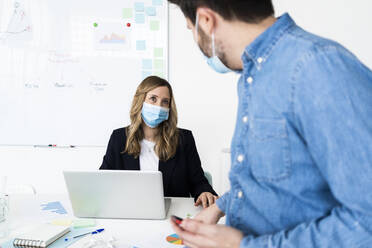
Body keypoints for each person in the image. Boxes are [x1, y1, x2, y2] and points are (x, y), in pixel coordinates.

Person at [168, 0, 372, 247]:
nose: (195, 40)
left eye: (190, 29)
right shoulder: (253, 75)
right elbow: (279, 177)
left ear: (206, 21)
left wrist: (243, 246)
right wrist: (221, 206)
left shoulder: (317, 67)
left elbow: (366, 221)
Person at [100, 76, 218, 208]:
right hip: (130, 212)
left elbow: (198, 181)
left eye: (165, 102)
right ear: (140, 101)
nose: (159, 106)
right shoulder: (119, 138)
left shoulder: (184, 139)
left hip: (172, 215)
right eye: (153, 99)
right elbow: (103, 181)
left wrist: (205, 192)